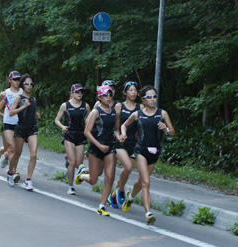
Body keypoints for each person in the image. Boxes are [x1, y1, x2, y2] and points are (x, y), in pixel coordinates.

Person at [120, 85, 175, 224]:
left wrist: (166, 128)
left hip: (155, 151)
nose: (152, 99)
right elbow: (124, 125)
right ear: (143, 99)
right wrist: (124, 134)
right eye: (149, 97)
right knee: (146, 182)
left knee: (141, 182)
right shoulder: (137, 114)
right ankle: (148, 213)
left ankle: (130, 197)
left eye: (154, 96)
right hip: (141, 150)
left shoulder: (162, 113)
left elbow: (173, 132)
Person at [75, 85, 120, 216]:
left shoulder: (114, 112)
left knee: (109, 176)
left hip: (110, 147)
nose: (108, 97)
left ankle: (102, 205)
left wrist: (120, 136)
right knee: (94, 179)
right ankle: (82, 175)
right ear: (99, 97)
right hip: (96, 148)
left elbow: (116, 130)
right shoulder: (96, 112)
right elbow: (87, 132)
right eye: (105, 95)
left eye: (110, 94)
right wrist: (99, 145)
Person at [108, 81, 141, 208]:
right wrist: (119, 136)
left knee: (126, 172)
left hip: (134, 142)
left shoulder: (140, 108)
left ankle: (113, 196)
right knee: (128, 167)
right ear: (125, 92)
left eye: (135, 90)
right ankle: (121, 191)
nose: (133, 92)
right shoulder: (119, 106)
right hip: (120, 142)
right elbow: (115, 128)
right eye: (131, 90)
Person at [55, 84, 90, 195]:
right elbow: (57, 120)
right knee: (73, 162)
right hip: (69, 135)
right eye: (77, 92)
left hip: (81, 135)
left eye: (81, 92)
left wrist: (89, 130)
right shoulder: (65, 105)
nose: (79, 94)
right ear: (72, 93)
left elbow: (90, 120)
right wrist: (62, 127)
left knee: (79, 164)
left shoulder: (86, 106)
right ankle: (70, 186)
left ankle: (69, 160)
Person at [9, 74, 40, 190]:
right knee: (17, 154)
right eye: (27, 83)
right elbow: (12, 112)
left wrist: (36, 115)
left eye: (31, 84)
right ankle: (10, 172)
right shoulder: (19, 98)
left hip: (32, 129)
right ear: (22, 84)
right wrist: (24, 106)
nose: (29, 86)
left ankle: (28, 180)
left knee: (33, 154)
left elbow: (31, 112)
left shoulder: (33, 99)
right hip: (21, 128)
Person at [0, 71, 22, 171]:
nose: (17, 82)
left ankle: (13, 169)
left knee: (15, 150)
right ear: (10, 80)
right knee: (10, 148)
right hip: (7, 124)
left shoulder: (23, 92)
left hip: (19, 124)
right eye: (15, 79)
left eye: (18, 79)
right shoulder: (5, 93)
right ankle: (3, 154)